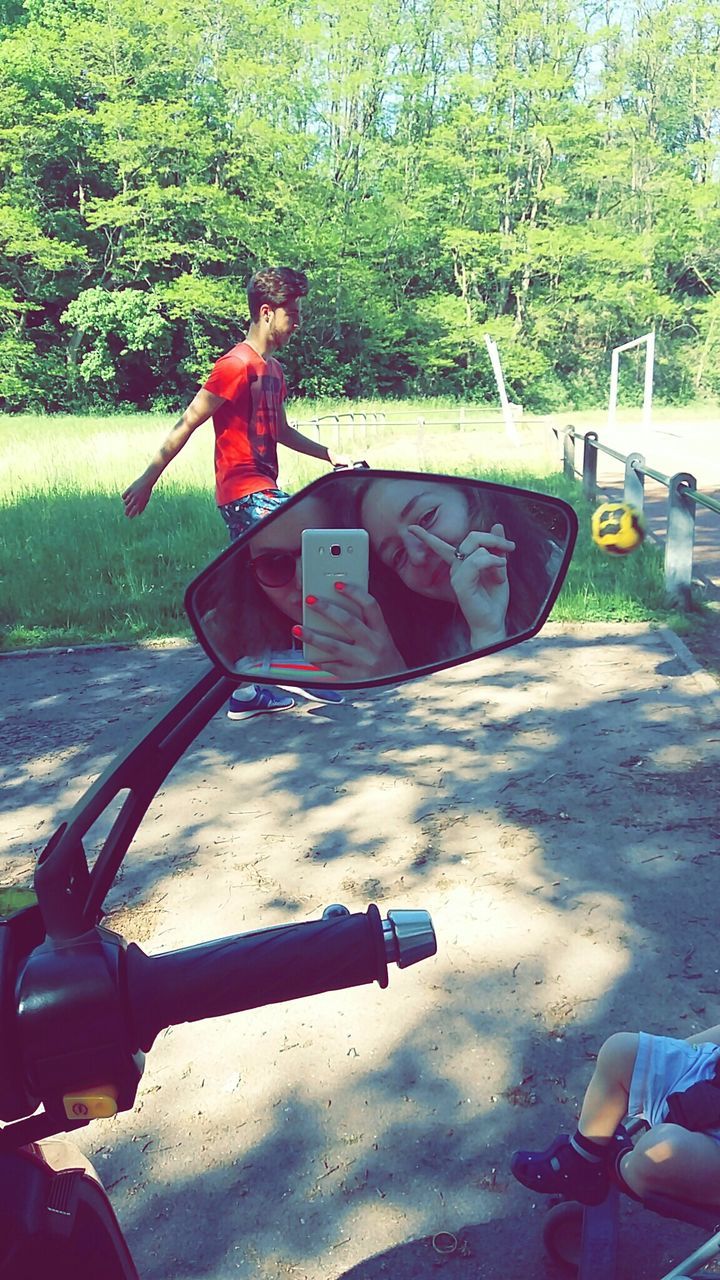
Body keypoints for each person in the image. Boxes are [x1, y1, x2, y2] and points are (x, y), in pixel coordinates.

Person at [122, 266, 351, 719]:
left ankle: (247, 690)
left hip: (264, 487)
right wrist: (147, 477)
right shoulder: (235, 366)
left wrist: (330, 455)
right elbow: (189, 421)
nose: (298, 322)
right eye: (294, 314)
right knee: (312, 553)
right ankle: (298, 665)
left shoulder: (275, 370)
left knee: (255, 584)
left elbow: (280, 430)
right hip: (243, 491)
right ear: (267, 313)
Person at [358, 477, 562, 666]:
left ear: (474, 498)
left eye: (427, 518)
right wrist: (488, 633)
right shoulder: (433, 645)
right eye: (398, 555)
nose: (417, 556)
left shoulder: (559, 580)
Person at [511, 1025, 720, 1207]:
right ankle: (583, 1158)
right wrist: (676, 1050)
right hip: (708, 1080)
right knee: (620, 1052)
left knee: (661, 1150)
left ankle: (620, 1165)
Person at [212, 491, 406, 683]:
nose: (301, 583)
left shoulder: (416, 635)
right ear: (248, 575)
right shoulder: (234, 644)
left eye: (323, 558)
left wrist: (393, 673)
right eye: (274, 564)